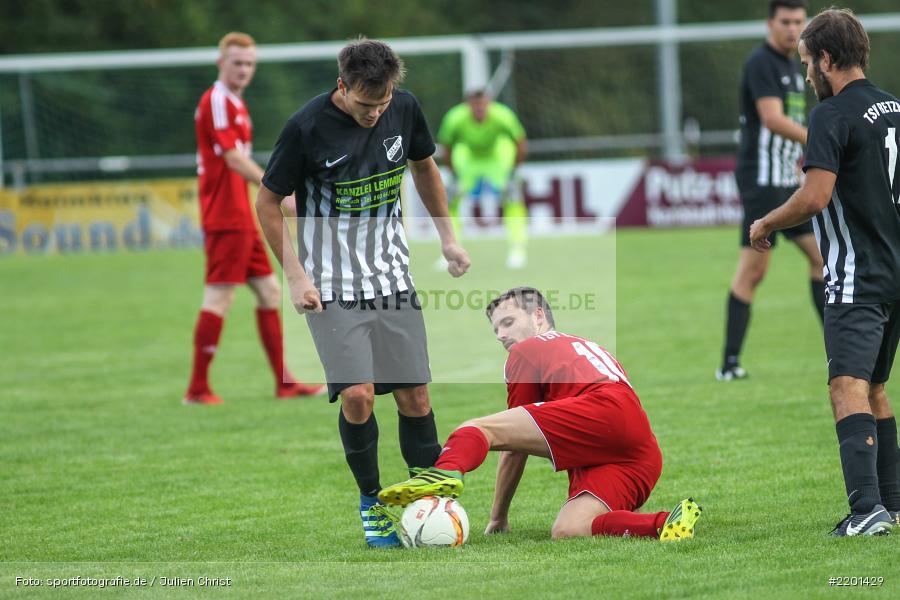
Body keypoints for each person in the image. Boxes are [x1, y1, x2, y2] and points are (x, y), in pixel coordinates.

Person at [255, 38, 471, 547]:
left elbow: (424, 168)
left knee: (415, 395)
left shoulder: (404, 107)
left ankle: (432, 496)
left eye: (383, 103)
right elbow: (267, 202)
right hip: (330, 284)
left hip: (393, 277)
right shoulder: (305, 128)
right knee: (358, 395)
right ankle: (372, 501)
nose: (376, 113)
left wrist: (448, 238)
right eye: (365, 104)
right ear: (342, 87)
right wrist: (295, 276)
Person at [378, 287, 702, 542]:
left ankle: (444, 472)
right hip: (638, 450)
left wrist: (498, 517)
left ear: (538, 316)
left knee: (476, 428)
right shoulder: (581, 343)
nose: (502, 335)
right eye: (496, 330)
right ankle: (665, 523)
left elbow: (513, 446)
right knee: (570, 528)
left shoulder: (526, 350)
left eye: (508, 323)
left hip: (603, 411)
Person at [750, 8, 900, 535]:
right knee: (875, 386)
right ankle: (892, 504)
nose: (808, 74)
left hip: (857, 276)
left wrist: (766, 221)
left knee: (846, 386)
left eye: (810, 63)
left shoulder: (831, 115)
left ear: (829, 59)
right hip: (895, 272)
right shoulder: (894, 109)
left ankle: (866, 511)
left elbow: (815, 197)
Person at [186, 31, 323, 405]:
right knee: (218, 298)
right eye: (237, 63)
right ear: (221, 63)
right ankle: (197, 388)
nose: (244, 70)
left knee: (270, 291)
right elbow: (232, 159)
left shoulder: (235, 103)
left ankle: (285, 381)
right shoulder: (217, 101)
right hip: (224, 216)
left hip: (242, 216)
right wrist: (278, 192)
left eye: (249, 64)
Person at [718, 0, 826, 381]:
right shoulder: (761, 62)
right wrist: (818, 140)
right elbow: (772, 119)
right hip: (762, 180)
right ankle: (729, 364)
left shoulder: (797, 64)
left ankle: (836, 348)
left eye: (799, 21)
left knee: (821, 258)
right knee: (754, 270)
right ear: (770, 23)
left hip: (787, 179)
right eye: (786, 21)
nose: (793, 28)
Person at [437, 90, 529, 269]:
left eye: (482, 104)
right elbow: (447, 147)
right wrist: (454, 174)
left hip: (497, 156)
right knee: (450, 201)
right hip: (468, 157)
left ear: (488, 103)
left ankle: (518, 249)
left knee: (512, 198)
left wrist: (512, 171)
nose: (479, 108)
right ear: (468, 104)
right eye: (475, 104)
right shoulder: (455, 118)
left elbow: (520, 142)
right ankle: (450, 249)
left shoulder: (503, 115)